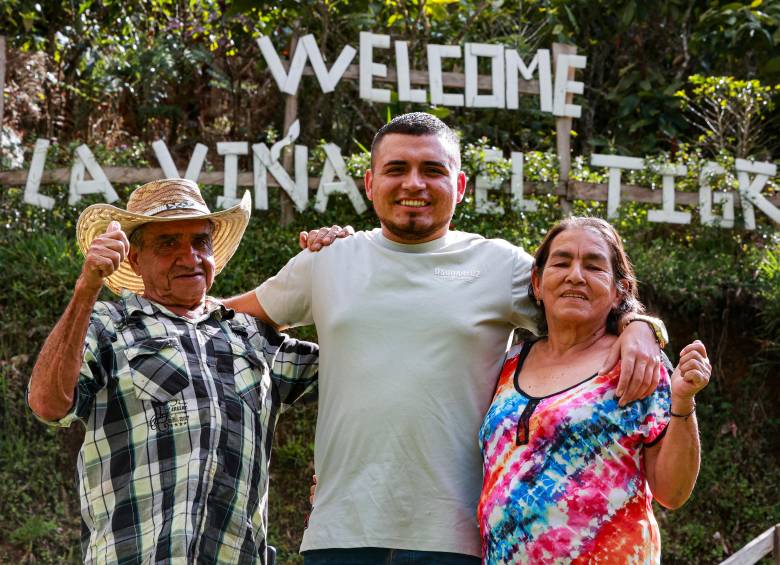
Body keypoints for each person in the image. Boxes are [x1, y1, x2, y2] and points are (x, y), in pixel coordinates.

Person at [225, 112, 669, 564]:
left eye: (432, 170)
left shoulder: (500, 266)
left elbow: (582, 300)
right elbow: (225, 319)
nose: (413, 184)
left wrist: (640, 326)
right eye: (396, 169)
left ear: (459, 186)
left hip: (455, 538)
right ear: (369, 183)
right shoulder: (327, 261)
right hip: (340, 529)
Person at [27, 179, 319, 564]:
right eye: (168, 243)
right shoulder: (109, 326)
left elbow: (357, 368)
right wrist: (87, 287)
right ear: (134, 258)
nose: (189, 257)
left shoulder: (248, 335)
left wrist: (337, 261)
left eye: (200, 242)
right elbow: (48, 404)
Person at [478, 216, 711, 563]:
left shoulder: (638, 362)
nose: (575, 275)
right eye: (561, 262)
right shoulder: (508, 364)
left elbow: (672, 492)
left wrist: (682, 400)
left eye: (594, 266)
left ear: (619, 290)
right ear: (537, 283)